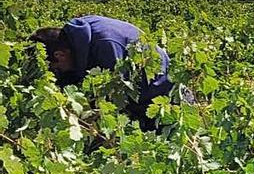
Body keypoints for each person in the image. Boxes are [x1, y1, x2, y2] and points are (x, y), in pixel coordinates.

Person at [29, 15, 184, 131]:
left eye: (55, 69)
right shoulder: (77, 35)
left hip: (164, 94)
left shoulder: (106, 46)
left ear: (59, 55)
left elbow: (115, 100)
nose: (57, 73)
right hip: (143, 91)